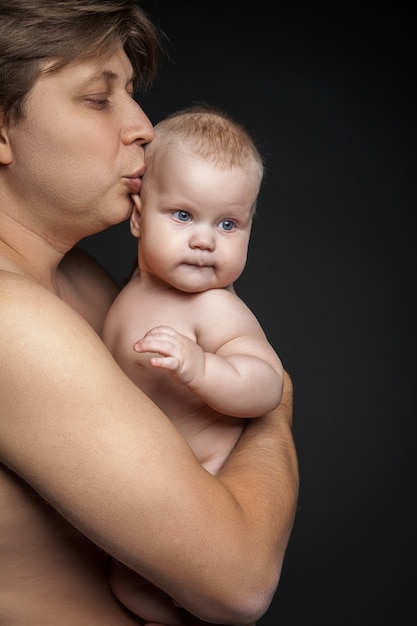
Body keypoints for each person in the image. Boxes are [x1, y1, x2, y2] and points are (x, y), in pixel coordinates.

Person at [0, 1, 299, 624]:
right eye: (99, 98)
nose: (143, 126)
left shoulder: (81, 281)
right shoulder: (12, 319)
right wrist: (275, 402)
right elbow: (240, 581)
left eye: (132, 94)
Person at [102, 104, 286, 622]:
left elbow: (267, 384)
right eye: (183, 215)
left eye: (228, 224)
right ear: (139, 216)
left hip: (208, 477)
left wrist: (200, 368)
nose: (205, 240)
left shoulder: (215, 307)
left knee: (171, 588)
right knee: (126, 585)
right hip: (151, 485)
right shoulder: (128, 290)